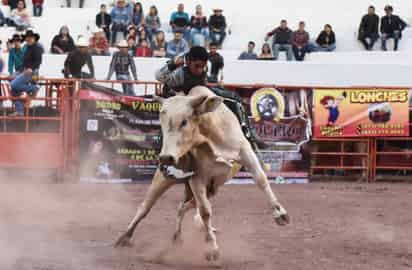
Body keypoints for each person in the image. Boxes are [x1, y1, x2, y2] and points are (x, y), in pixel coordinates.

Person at [155, 47, 265, 179]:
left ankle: (249, 134)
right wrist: (172, 64)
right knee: (170, 129)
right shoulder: (180, 74)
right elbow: (159, 76)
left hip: (196, 97)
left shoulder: (202, 68)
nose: (200, 69)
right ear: (188, 62)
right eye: (197, 66)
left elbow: (203, 82)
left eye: (203, 66)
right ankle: (165, 165)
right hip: (177, 103)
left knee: (234, 99)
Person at [10, 29, 43, 116]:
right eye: (27, 38)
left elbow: (38, 61)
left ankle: (33, 88)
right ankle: (20, 110)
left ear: (34, 39)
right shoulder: (27, 48)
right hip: (26, 71)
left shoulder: (37, 48)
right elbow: (24, 63)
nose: (29, 39)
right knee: (14, 90)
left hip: (32, 73)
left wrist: (31, 69)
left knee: (13, 85)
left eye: (31, 38)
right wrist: (18, 71)